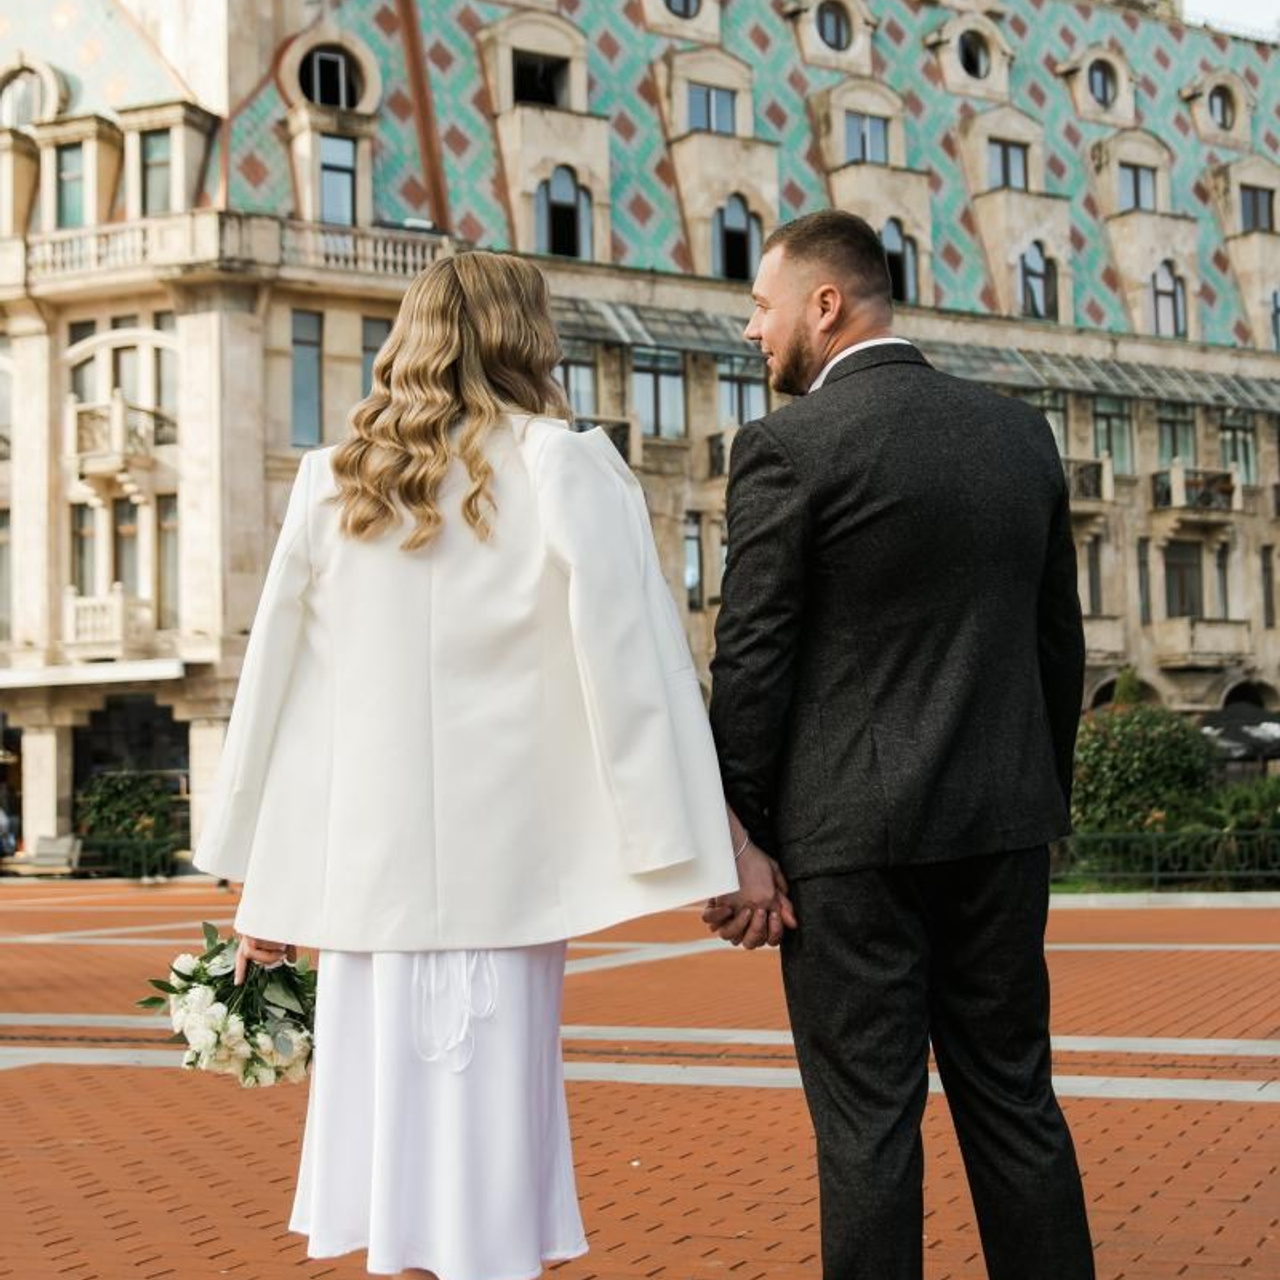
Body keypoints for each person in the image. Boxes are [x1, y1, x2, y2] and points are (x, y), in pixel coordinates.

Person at [194, 251, 740, 1280]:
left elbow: (280, 691)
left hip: (367, 878)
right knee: (491, 1151)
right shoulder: (563, 464)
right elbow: (630, 665)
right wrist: (686, 842)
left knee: (389, 1162)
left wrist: (265, 880)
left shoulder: (331, 479)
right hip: (510, 874)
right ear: (525, 334)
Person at [703, 210, 1094, 1280]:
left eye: (761, 306)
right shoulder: (1018, 436)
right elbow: (1057, 646)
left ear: (825, 305)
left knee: (867, 1128)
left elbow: (753, 660)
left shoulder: (786, 448)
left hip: (847, 851)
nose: (752, 330)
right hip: (1000, 829)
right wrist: (1034, 798)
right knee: (1015, 1102)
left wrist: (737, 834)